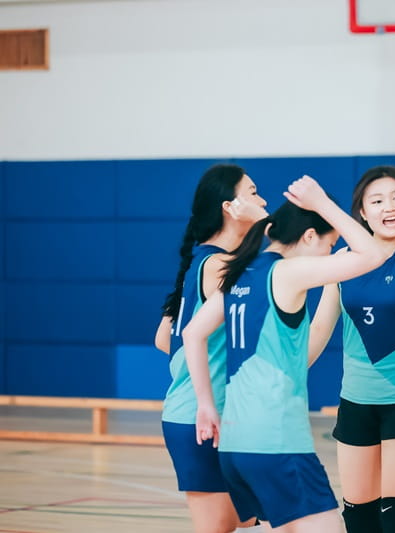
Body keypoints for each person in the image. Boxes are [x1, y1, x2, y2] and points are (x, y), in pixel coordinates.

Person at [182, 175, 387, 533]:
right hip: (276, 442)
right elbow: (373, 254)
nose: (329, 253)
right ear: (309, 236)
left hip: (235, 447)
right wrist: (321, 202)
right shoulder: (288, 272)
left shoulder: (241, 274)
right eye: (329, 244)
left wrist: (205, 404)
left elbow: (192, 333)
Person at [308, 135, 395, 532]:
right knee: (358, 516)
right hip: (355, 399)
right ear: (362, 213)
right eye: (377, 200)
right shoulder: (343, 262)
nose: (389, 206)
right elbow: (321, 327)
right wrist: (283, 372)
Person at [155, 163, 268, 533]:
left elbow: (163, 340)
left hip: (220, 417)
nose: (261, 199)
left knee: (251, 521)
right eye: (253, 192)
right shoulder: (219, 265)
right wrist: (265, 221)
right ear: (230, 206)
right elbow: (282, 255)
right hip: (199, 420)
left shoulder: (201, 261)